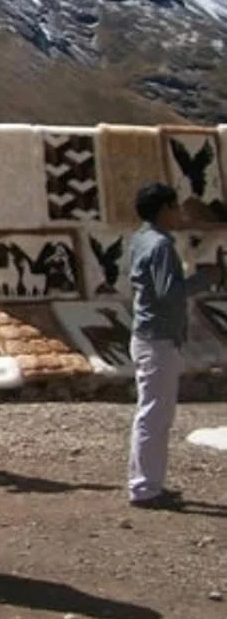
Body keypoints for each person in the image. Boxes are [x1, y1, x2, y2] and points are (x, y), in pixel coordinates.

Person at [126, 183, 206, 510]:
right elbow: (169, 293)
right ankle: (145, 488)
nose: (179, 214)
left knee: (152, 413)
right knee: (155, 415)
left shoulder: (142, 239)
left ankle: (147, 482)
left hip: (149, 335)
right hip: (157, 337)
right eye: (175, 207)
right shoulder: (160, 245)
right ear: (164, 209)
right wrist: (205, 279)